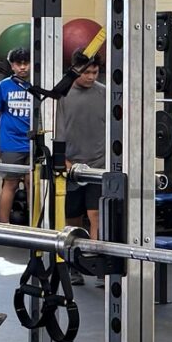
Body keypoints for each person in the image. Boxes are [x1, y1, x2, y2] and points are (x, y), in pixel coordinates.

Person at [57, 54, 108, 235]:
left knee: (96, 214)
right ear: (75, 70)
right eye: (86, 72)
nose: (91, 77)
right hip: (71, 165)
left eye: (95, 72)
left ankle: (96, 256)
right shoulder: (61, 95)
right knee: (72, 217)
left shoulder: (105, 93)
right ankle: (75, 257)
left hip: (98, 165)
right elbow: (56, 129)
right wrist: (62, 158)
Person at [0, 45, 36, 224]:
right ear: (12, 65)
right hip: (11, 143)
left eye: (26, 63)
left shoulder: (37, 85)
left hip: (34, 143)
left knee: (33, 183)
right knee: (10, 184)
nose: (23, 67)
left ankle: (34, 224)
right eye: (18, 64)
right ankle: (3, 223)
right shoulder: (3, 86)